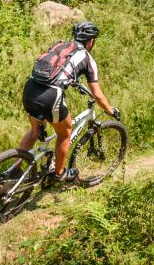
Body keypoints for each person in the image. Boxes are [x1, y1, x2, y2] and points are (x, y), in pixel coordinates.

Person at [18, 21, 120, 183]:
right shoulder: (87, 58)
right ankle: (59, 173)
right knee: (65, 132)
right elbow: (98, 95)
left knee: (35, 130)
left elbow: (56, 67)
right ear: (91, 41)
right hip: (50, 95)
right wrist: (111, 111)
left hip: (30, 88)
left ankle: (15, 170)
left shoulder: (60, 45)